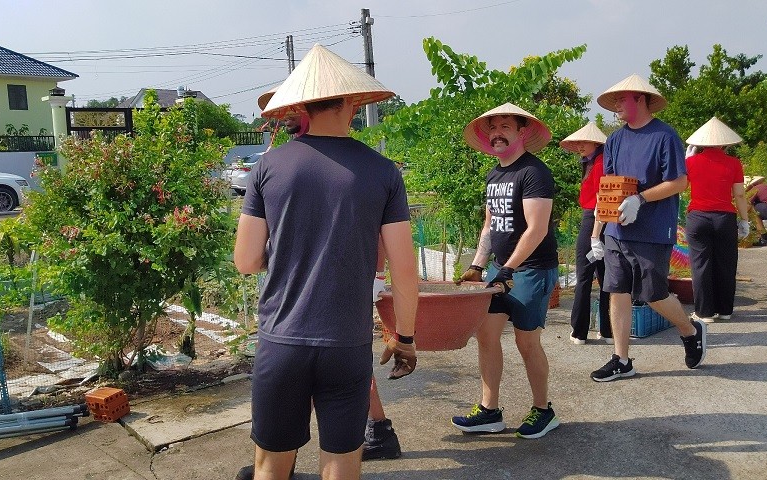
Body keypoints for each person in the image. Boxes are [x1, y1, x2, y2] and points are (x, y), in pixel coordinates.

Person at [234, 44, 418, 480]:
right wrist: (405, 339)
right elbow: (405, 273)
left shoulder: (268, 168)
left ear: (299, 104)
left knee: (270, 465)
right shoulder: (383, 171)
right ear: (353, 101)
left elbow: (245, 260)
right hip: (347, 344)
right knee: (341, 463)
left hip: (282, 340)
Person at [587, 74, 707, 382]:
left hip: (653, 230)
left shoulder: (665, 136)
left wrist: (640, 199)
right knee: (616, 291)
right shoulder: (614, 140)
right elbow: (608, 187)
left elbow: (680, 181)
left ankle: (689, 330)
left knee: (654, 294)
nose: (615, 106)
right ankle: (621, 359)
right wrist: (597, 232)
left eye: (621, 99)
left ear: (640, 99)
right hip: (616, 231)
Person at [454, 103, 560, 439]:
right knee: (486, 336)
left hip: (531, 270)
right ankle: (489, 411)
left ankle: (544, 410)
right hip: (500, 270)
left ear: (522, 132)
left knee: (527, 343)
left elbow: (537, 229)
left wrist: (509, 268)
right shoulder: (494, 174)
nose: (497, 134)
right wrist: (477, 265)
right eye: (493, 128)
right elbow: (490, 225)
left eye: (505, 127)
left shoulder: (534, 173)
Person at [682, 117, 748, 323]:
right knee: (726, 264)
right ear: (725, 142)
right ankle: (725, 310)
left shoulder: (690, 162)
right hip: (725, 218)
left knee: (700, 265)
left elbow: (682, 188)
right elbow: (739, 195)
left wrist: (686, 162)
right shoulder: (734, 163)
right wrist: (745, 220)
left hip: (698, 216)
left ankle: (704, 312)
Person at [559, 122, 612, 345]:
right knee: (606, 277)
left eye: (584, 142)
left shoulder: (599, 164)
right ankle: (607, 331)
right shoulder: (594, 162)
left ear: (596, 143)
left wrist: (594, 235)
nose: (579, 145)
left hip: (595, 219)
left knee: (585, 277)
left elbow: (602, 199)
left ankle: (580, 331)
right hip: (601, 219)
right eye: (578, 142)